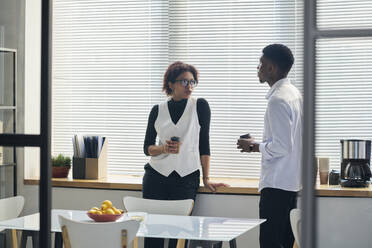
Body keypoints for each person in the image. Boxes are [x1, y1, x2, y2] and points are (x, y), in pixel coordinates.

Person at [143, 61, 229, 248]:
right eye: (184, 82)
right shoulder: (157, 110)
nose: (189, 86)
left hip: (186, 178)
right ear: (171, 84)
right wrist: (163, 149)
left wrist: (206, 178)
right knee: (152, 236)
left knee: (180, 234)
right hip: (156, 176)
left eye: (192, 82)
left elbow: (204, 144)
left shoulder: (200, 106)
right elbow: (147, 148)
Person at [237, 44, 303, 248]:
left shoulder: (277, 100)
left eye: (261, 64)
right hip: (291, 184)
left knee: (270, 244)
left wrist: (254, 146)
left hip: (276, 186)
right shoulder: (294, 94)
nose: (258, 68)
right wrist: (260, 142)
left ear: (272, 69)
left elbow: (282, 147)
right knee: (285, 242)